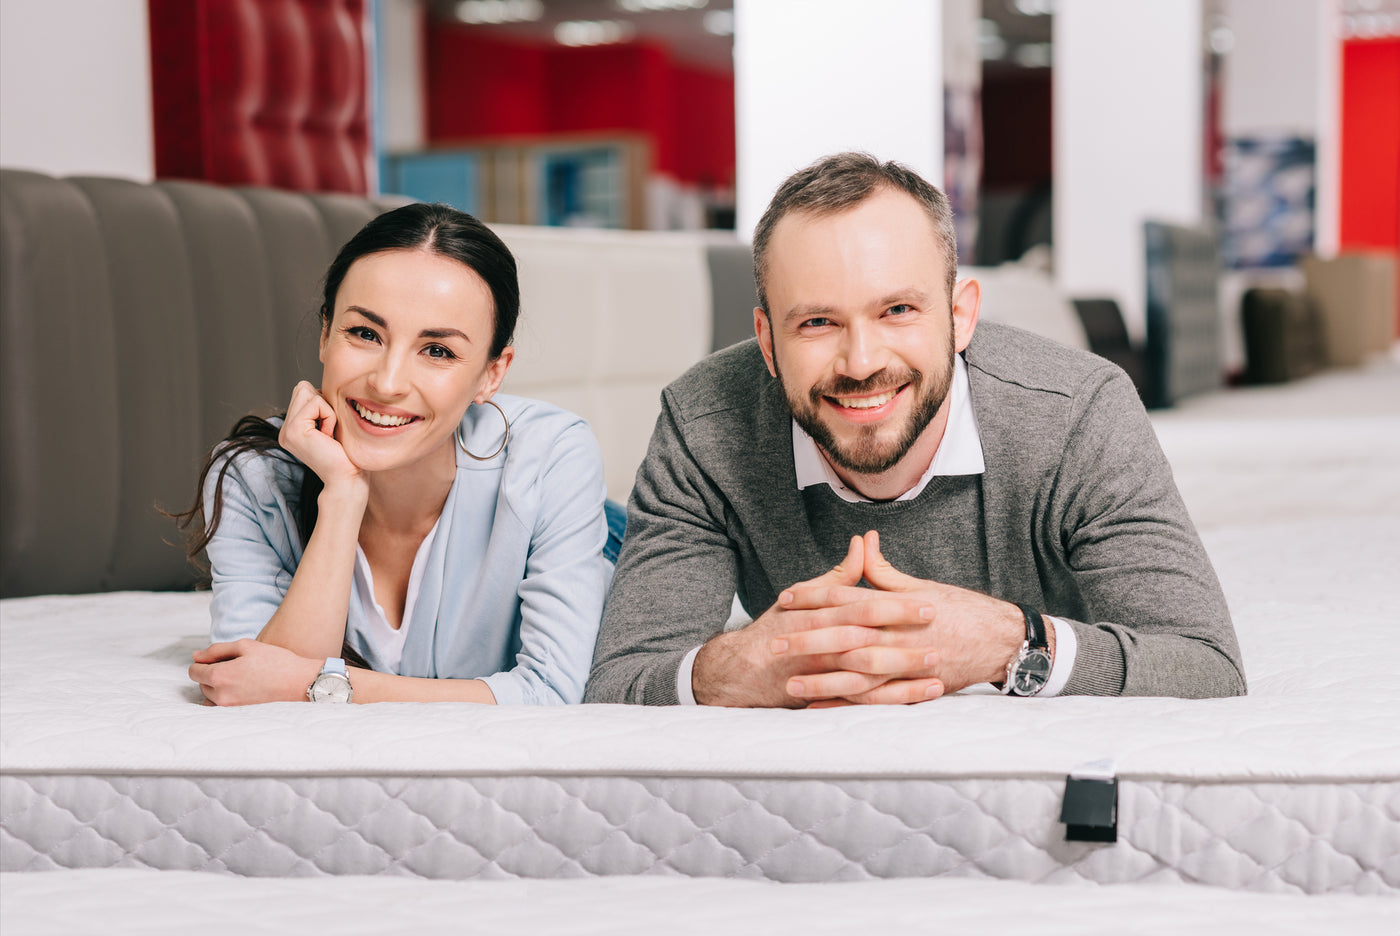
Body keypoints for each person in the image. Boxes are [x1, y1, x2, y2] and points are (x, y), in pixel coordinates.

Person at [585, 153, 1245, 707]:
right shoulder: (703, 426)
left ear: (961, 317)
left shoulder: (1079, 411)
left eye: (897, 310)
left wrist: (1010, 643)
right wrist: (735, 666)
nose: (862, 362)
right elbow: (618, 683)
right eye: (817, 323)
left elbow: (1206, 666)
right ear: (765, 340)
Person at [180, 203, 614, 706]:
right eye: (365, 334)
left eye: (437, 351)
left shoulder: (553, 455)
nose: (386, 384)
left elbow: (550, 691)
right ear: (325, 334)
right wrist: (343, 495)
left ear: (493, 374)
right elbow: (254, 688)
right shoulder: (253, 478)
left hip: (603, 538)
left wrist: (321, 685)